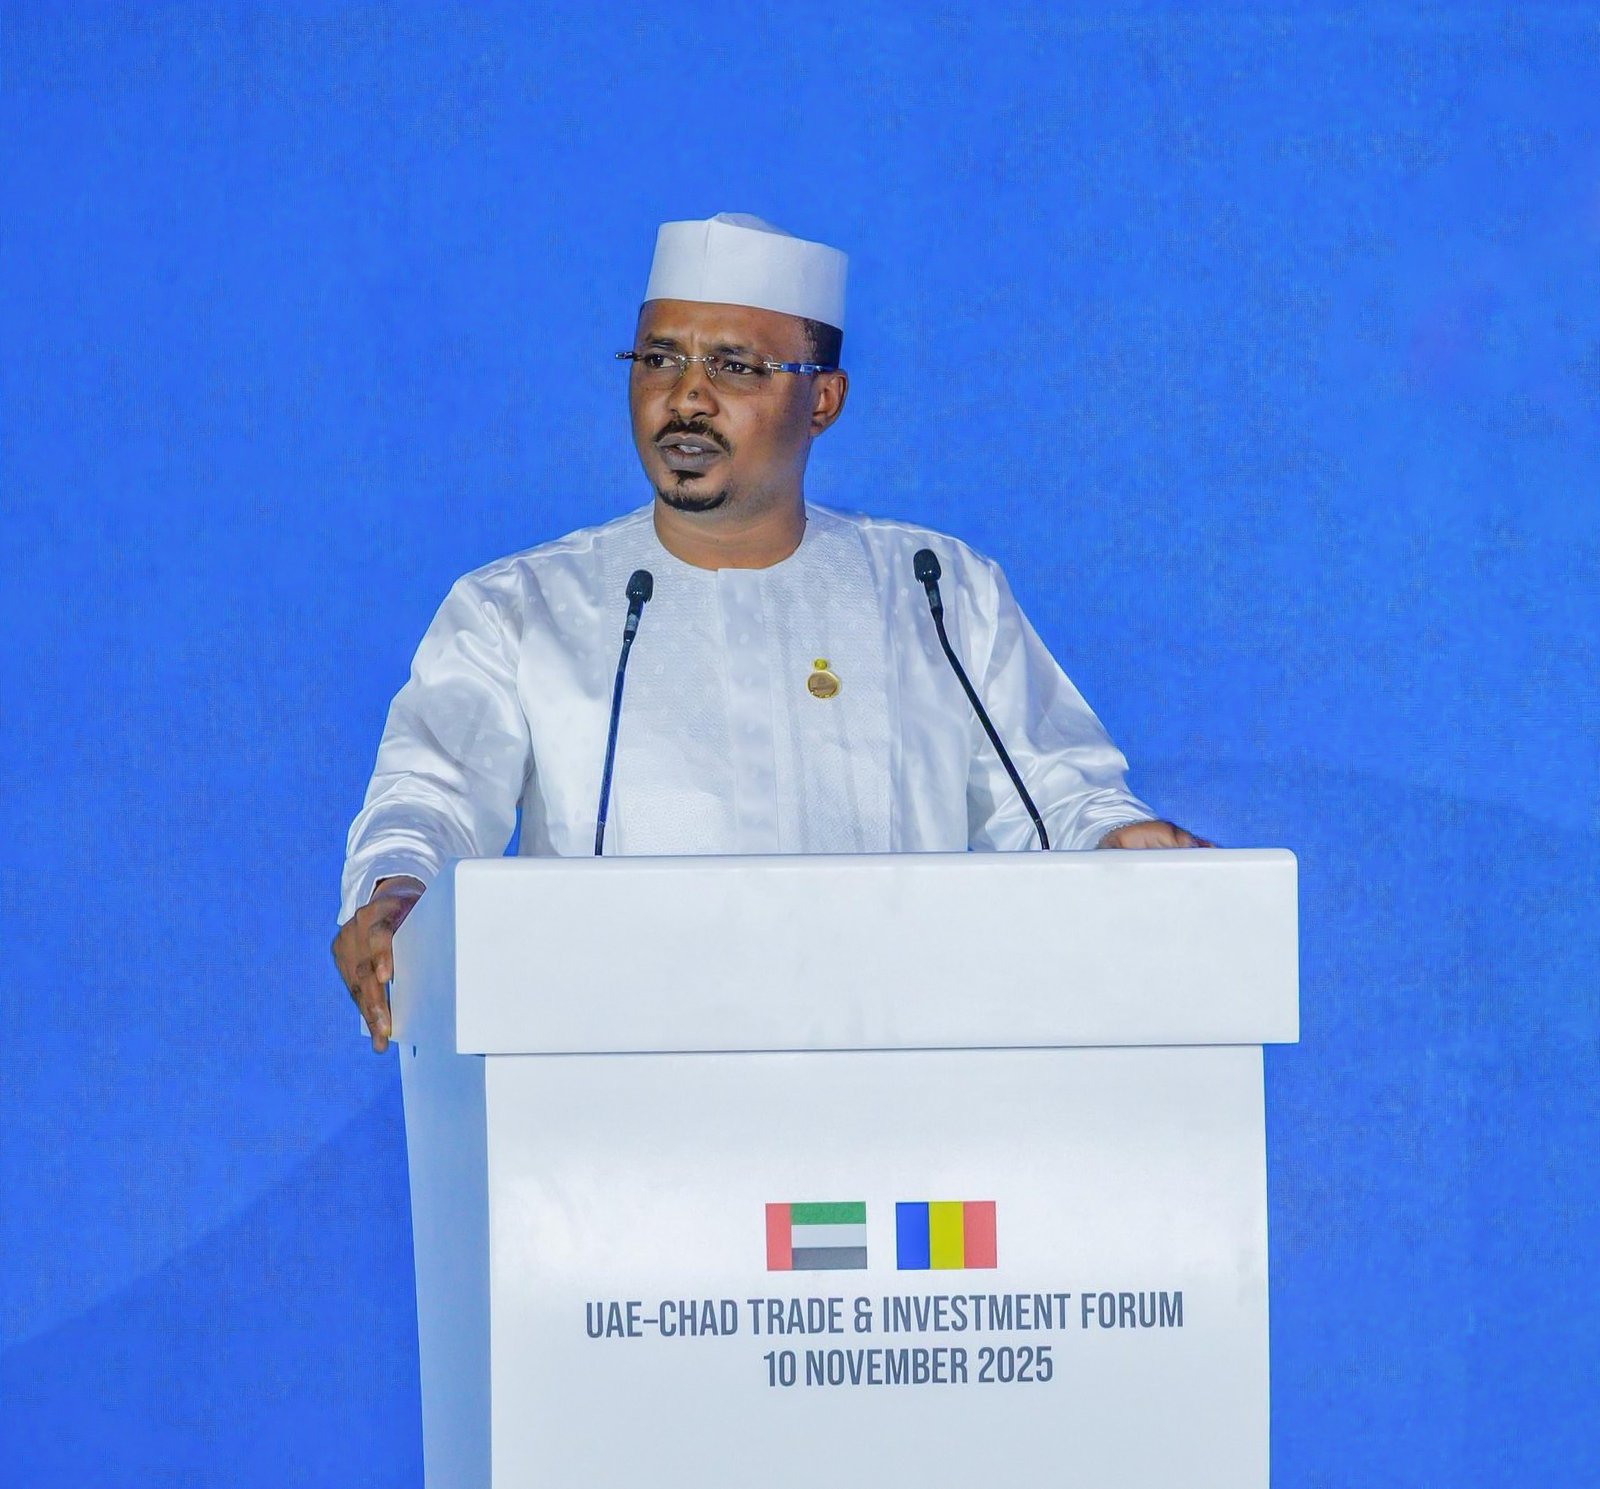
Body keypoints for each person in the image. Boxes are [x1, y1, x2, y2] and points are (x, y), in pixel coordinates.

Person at [333, 212, 1209, 1052]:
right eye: (659, 358)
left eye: (734, 366)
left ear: (822, 399)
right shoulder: (522, 608)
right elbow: (429, 799)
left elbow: (1059, 797)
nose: (686, 397)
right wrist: (397, 888)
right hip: (614, 1093)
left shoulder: (934, 593)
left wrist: (1113, 840)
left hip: (900, 1086)